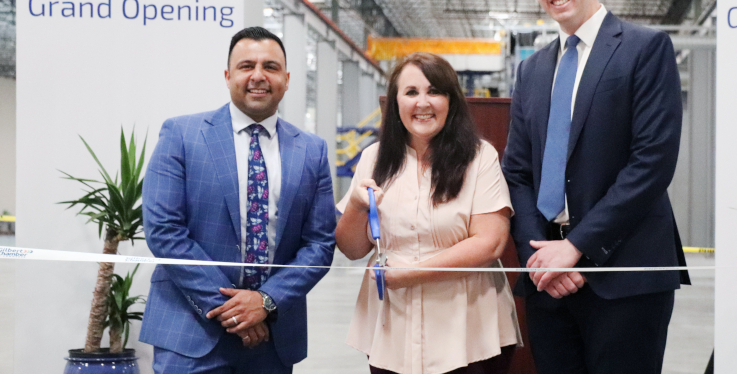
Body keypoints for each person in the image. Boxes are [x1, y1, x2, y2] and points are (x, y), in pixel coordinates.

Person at [501, 0, 690, 374]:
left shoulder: (644, 49)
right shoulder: (532, 72)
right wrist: (537, 256)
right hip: (549, 279)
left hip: (625, 277)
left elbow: (652, 163)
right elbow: (518, 172)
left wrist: (578, 247)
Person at [140, 26, 337, 373]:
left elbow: (319, 245)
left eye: (271, 67)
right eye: (247, 66)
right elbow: (164, 231)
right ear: (228, 75)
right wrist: (235, 310)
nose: (258, 76)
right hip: (190, 332)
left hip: (272, 339)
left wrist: (265, 302)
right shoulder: (181, 135)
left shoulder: (312, 151)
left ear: (287, 79)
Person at [336, 53, 521, 374]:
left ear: (451, 101)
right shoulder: (373, 159)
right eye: (411, 92)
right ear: (395, 103)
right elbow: (352, 249)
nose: (423, 102)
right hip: (391, 324)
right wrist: (354, 204)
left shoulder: (480, 157)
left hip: (468, 326)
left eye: (435, 91)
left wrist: (410, 274)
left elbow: (490, 242)